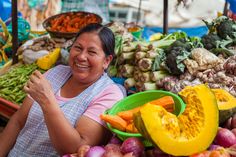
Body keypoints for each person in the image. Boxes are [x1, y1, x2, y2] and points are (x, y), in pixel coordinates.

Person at [0, 23, 125, 156]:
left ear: (106, 61)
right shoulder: (55, 72)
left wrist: (47, 102)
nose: (81, 56)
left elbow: (76, 148)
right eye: (78, 48)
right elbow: (18, 121)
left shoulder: (110, 94)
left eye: (92, 52)